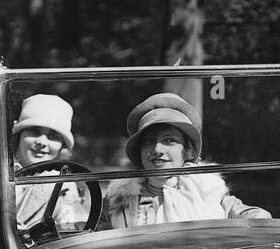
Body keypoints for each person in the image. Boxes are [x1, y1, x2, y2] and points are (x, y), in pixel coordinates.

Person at [99, 92, 270, 230]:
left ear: (187, 151)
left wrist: (257, 221)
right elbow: (97, 240)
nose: (157, 150)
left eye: (169, 141)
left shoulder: (207, 189)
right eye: (148, 142)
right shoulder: (116, 199)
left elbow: (253, 217)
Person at [0, 93, 91, 232]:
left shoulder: (62, 182)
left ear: (62, 145)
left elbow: (72, 233)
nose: (42, 142)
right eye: (34, 131)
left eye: (53, 136)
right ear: (18, 134)